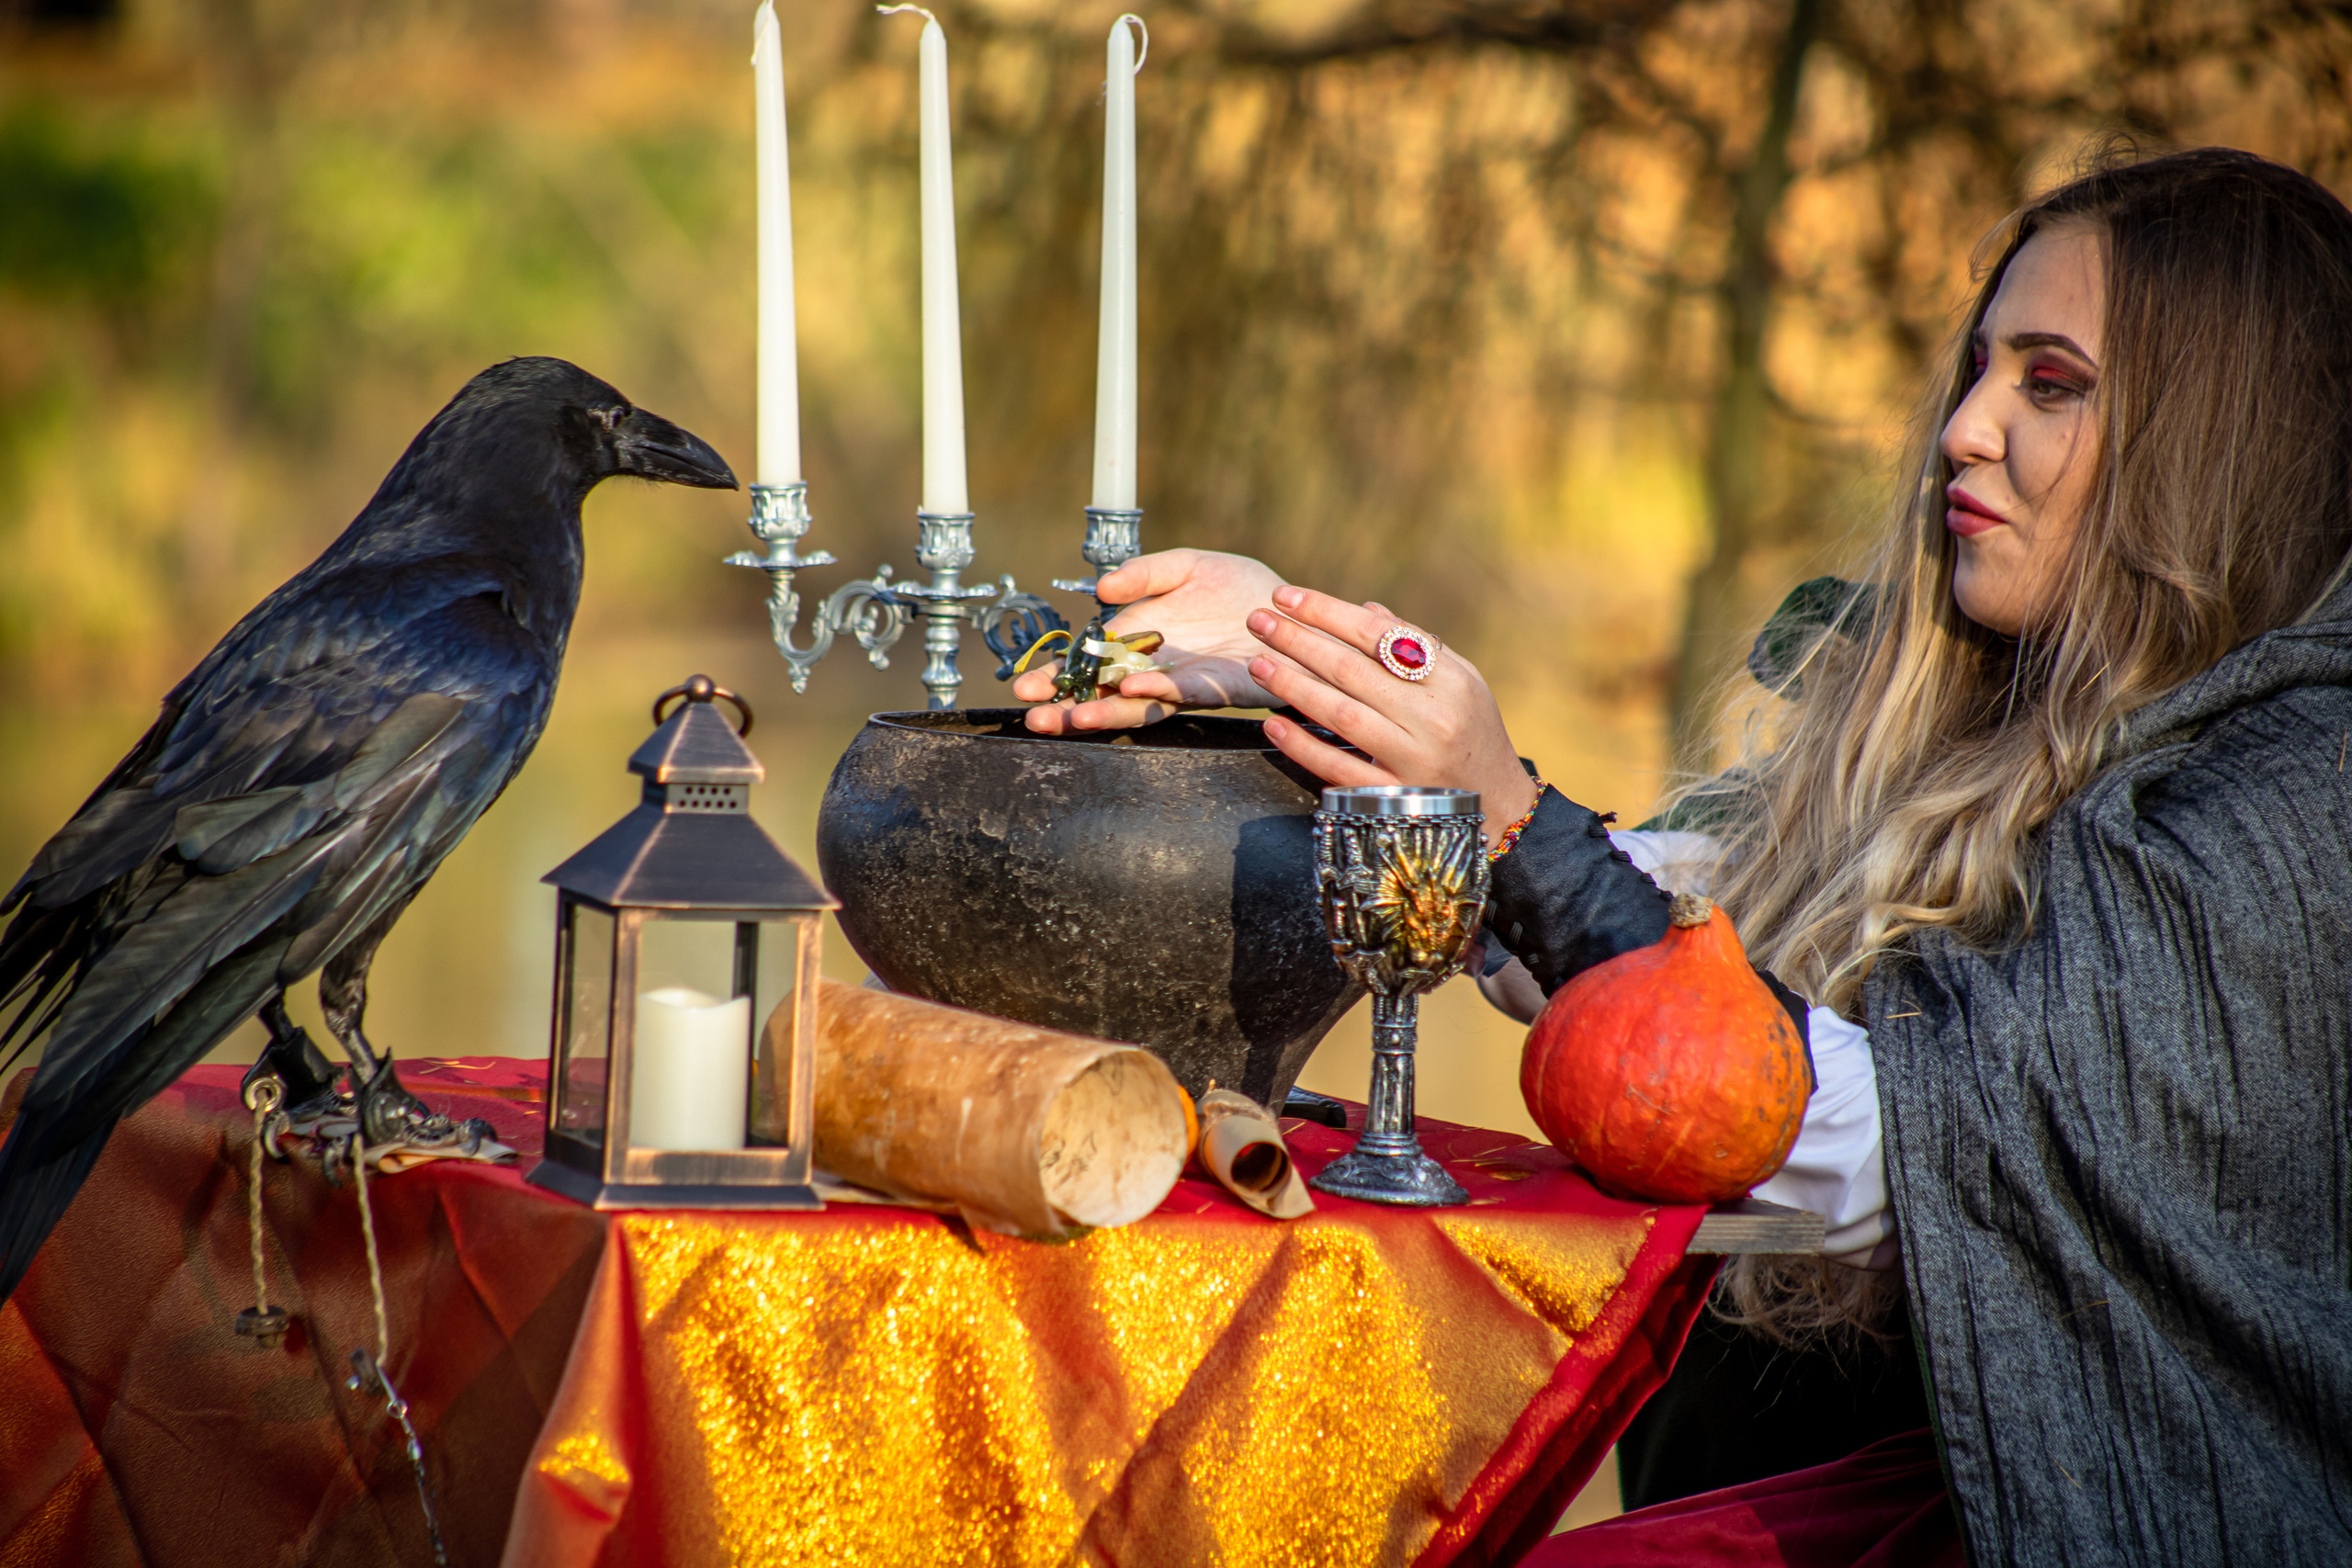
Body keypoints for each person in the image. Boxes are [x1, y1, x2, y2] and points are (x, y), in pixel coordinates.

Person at [1012, 146, 2352, 1564]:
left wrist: (1503, 813)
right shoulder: (1989, 732)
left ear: (2216, 441)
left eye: (2052, 384)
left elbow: (1889, 1147)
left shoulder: (2292, 805)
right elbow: (1680, 921)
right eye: (1979, 369)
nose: (1965, 429)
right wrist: (1309, 665)